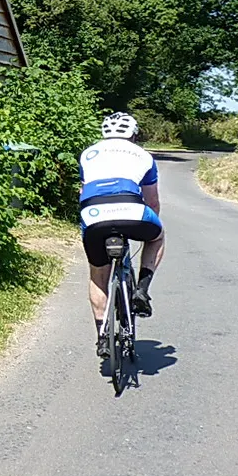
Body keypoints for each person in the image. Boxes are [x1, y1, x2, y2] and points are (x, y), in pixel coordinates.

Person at [78, 112, 166, 358]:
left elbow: (84, 192)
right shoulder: (143, 155)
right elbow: (152, 201)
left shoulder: (88, 153)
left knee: (98, 277)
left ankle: (102, 337)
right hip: (131, 210)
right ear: (134, 134)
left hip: (94, 215)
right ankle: (141, 289)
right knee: (157, 236)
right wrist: (152, 219)